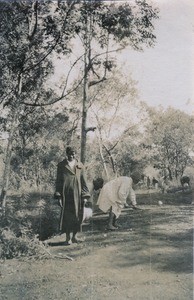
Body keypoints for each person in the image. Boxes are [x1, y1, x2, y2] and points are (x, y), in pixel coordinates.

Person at [54, 146, 91, 245]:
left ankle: (74, 236)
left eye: (73, 153)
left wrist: (85, 196)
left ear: (76, 154)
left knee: (77, 215)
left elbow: (84, 181)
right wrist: (59, 196)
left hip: (77, 195)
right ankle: (67, 238)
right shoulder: (62, 166)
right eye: (70, 153)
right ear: (66, 154)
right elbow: (58, 182)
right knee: (67, 216)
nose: (72, 155)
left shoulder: (79, 165)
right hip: (66, 196)